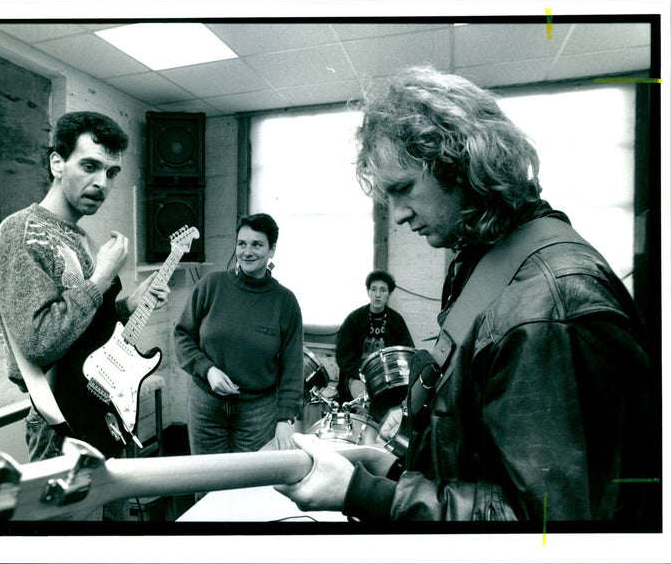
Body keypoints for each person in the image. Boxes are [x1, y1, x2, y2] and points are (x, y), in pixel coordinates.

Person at [275, 66, 659, 526]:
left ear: (461, 165)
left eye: (402, 190)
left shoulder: (546, 304)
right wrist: (391, 470)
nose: (397, 215)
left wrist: (364, 494)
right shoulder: (484, 259)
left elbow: (546, 524)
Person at [0, 111, 170, 519]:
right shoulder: (21, 233)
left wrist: (129, 303)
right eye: (89, 166)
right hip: (62, 429)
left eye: (111, 172)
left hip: (104, 416)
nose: (102, 183)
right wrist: (102, 276)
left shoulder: (82, 236)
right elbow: (38, 341)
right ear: (57, 163)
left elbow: (92, 330)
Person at [175, 213, 304, 455]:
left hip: (258, 411)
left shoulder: (284, 301)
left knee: (248, 485)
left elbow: (293, 367)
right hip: (206, 404)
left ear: (272, 250)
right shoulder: (211, 285)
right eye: (241, 243)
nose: (246, 251)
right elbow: (182, 336)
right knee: (205, 482)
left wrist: (286, 419)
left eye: (257, 244)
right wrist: (207, 369)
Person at [335, 270, 414, 404]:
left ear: (389, 294)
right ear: (368, 292)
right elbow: (343, 355)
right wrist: (364, 374)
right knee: (365, 402)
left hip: (387, 378)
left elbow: (407, 352)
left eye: (383, 290)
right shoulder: (354, 319)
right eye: (374, 289)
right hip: (358, 376)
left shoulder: (396, 321)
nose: (378, 295)